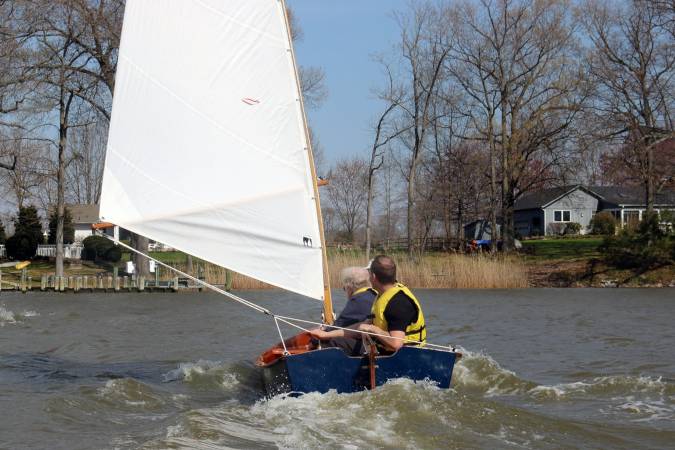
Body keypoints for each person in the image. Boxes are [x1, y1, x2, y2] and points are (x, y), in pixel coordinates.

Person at [310, 255, 426, 353]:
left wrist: (372, 329)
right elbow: (360, 327)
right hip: (383, 349)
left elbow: (396, 343)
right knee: (330, 340)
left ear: (374, 277)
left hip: (404, 356)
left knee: (334, 345)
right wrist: (325, 334)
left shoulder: (398, 303)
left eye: (369, 275)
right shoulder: (382, 295)